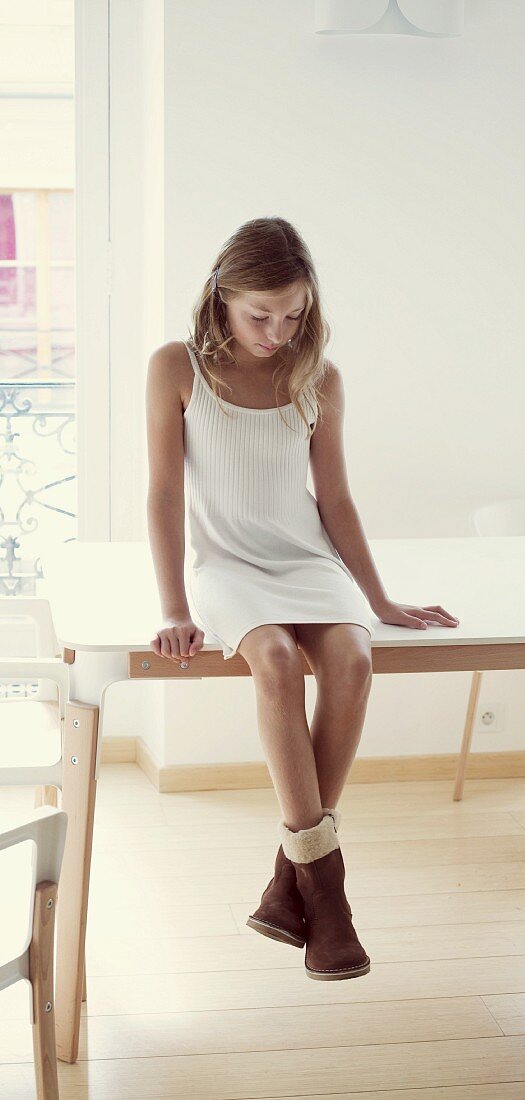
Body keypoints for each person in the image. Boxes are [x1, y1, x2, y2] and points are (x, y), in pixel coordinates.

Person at [145, 216, 460, 982]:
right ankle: (330, 894)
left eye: (293, 313)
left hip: (305, 557)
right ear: (220, 296)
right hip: (225, 565)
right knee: (278, 663)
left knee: (352, 659)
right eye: (260, 314)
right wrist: (174, 609)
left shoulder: (318, 375)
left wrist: (377, 599)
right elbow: (161, 494)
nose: (278, 329)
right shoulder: (174, 368)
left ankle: (291, 882)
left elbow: (336, 499)